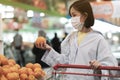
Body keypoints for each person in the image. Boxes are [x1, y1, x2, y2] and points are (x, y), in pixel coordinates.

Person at [35, 0, 118, 80]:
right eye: (71, 16)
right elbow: (65, 62)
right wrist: (49, 49)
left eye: (74, 15)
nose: (72, 19)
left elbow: (111, 66)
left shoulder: (98, 40)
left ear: (85, 16)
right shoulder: (71, 37)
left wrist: (100, 67)